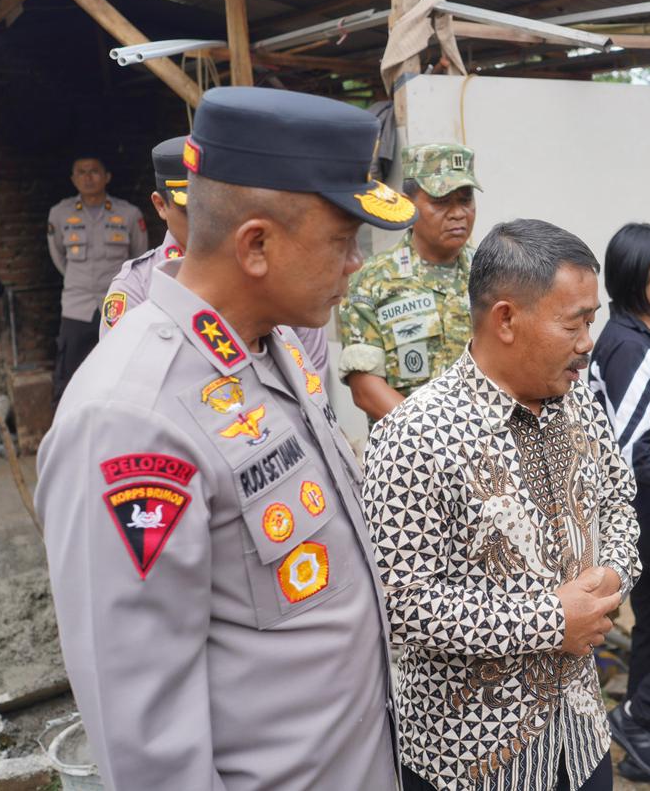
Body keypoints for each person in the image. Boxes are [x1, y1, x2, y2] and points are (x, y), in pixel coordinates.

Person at [35, 87, 418, 789]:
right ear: (257, 246)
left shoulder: (268, 353)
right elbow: (147, 742)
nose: (355, 263)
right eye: (342, 241)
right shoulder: (131, 419)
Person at [361, 219, 641, 791]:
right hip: (470, 757)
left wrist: (610, 574)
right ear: (506, 319)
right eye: (575, 323)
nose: (589, 341)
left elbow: (619, 506)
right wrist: (550, 620)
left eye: (593, 320)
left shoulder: (580, 399)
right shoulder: (416, 433)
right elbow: (402, 603)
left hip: (581, 735)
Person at [587, 222, 650, 783]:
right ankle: (641, 715)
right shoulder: (629, 346)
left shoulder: (643, 336)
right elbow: (634, 449)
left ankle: (647, 740)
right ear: (636, 276)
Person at [99, 137, 329, 378]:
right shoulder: (136, 285)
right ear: (160, 205)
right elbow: (125, 382)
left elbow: (312, 378)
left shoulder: (273, 272)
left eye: (214, 208)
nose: (205, 221)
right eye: (189, 209)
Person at [338, 142, 480, 421]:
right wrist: (435, 435)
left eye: (465, 200)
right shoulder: (372, 281)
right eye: (441, 202)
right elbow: (366, 388)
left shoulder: (491, 274)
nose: (458, 214)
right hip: (409, 455)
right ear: (408, 204)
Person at [47, 154, 147, 400]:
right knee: (70, 371)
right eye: (81, 172)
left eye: (93, 171)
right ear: (73, 179)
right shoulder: (59, 214)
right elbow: (59, 258)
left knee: (122, 367)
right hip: (77, 305)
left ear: (107, 177)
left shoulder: (129, 214)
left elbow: (139, 257)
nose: (87, 177)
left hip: (117, 304)